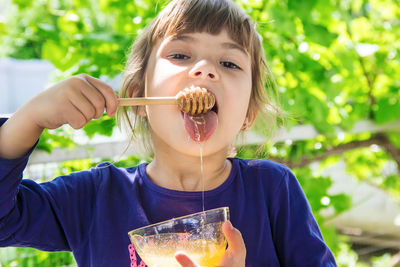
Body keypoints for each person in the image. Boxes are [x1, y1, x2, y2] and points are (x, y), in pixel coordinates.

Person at [0, 0, 337, 266]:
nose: (204, 70)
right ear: (137, 97)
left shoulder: (274, 191)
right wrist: (28, 120)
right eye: (180, 54)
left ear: (248, 113)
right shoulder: (94, 199)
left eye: (229, 63)